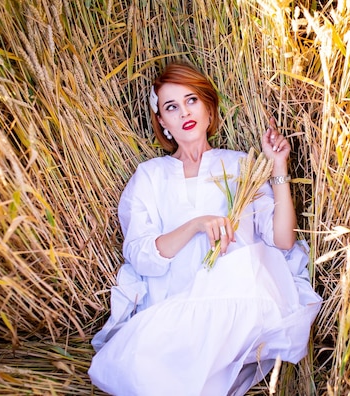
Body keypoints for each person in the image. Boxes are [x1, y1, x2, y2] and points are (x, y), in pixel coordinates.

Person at [88, 62, 322, 395]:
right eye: (171, 107)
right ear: (163, 123)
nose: (184, 111)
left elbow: (282, 241)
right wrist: (196, 225)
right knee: (137, 370)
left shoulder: (241, 165)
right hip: (174, 300)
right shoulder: (150, 176)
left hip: (237, 294)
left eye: (191, 100)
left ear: (208, 109)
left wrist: (278, 167)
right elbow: (141, 256)